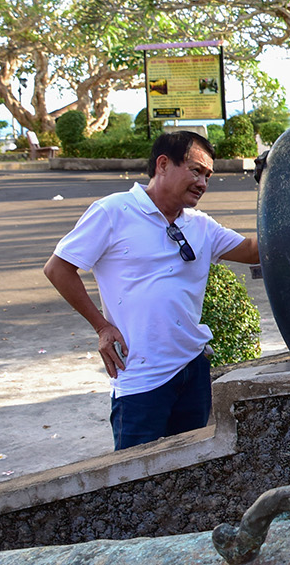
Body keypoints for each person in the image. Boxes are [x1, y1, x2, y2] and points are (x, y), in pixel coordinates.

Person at [43, 130, 260, 450]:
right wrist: (102, 327)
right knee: (135, 480)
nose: (203, 183)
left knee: (190, 468)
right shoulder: (113, 212)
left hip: (193, 371)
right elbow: (58, 268)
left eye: (208, 176)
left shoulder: (201, 226)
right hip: (141, 380)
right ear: (163, 164)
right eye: (196, 170)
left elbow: (254, 251)